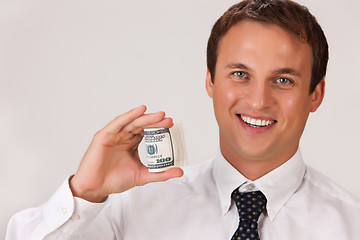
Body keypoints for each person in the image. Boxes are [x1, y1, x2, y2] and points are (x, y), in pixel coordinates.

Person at [6, 0, 360, 239]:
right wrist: (84, 193)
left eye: (283, 80)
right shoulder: (129, 206)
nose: (258, 100)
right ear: (210, 81)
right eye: (240, 74)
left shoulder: (351, 225)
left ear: (315, 94)